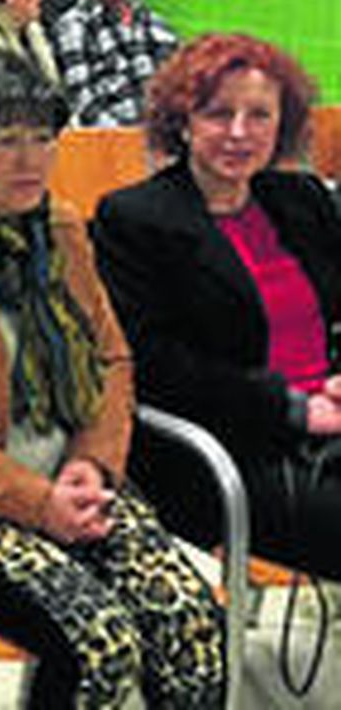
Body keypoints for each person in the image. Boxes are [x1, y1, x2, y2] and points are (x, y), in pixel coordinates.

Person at [0, 49, 225, 709]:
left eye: (42, 139)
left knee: (191, 623)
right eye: (6, 142)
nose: (32, 160)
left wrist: (92, 466)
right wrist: (36, 502)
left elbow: (112, 358)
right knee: (100, 642)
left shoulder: (58, 225)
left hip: (77, 485)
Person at [92, 34, 341, 581]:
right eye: (217, 113)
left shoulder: (302, 200)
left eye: (258, 115)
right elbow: (156, 365)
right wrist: (291, 408)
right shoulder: (135, 219)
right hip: (223, 450)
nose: (238, 132)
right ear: (183, 122)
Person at [52, 0, 178, 127]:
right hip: (108, 144)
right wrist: (130, 141)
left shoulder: (157, 25)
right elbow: (82, 101)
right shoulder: (74, 26)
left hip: (162, 138)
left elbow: (179, 90)